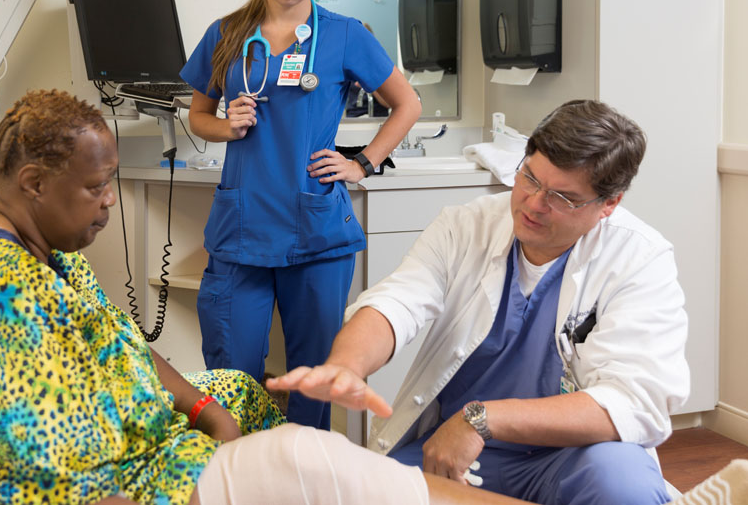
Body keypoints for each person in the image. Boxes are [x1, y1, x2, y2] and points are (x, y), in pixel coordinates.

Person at [0, 89, 551, 505]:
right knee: (308, 466)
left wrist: (210, 413)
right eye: (95, 190)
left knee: (239, 391)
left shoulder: (39, 250)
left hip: (107, 437)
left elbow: (120, 343)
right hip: (58, 479)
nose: (106, 208)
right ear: (32, 183)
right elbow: (36, 472)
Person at [269, 99, 693, 504]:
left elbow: (636, 401)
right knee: (372, 494)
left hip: (573, 455)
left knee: (622, 485)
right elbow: (398, 301)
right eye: (530, 177)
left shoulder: (639, 258)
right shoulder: (465, 225)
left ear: (609, 204)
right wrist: (347, 365)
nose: (533, 204)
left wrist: (482, 419)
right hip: (452, 451)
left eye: (562, 198)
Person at [179, 0, 421, 430]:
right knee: (230, 378)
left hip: (314, 231)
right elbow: (198, 116)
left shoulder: (345, 35)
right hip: (242, 229)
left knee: (314, 380)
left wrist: (363, 164)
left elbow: (407, 104)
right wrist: (227, 127)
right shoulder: (226, 34)